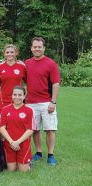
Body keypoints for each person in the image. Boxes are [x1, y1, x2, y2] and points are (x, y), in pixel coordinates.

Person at [25, 37, 60, 165]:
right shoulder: (27, 63)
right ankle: (38, 153)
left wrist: (53, 102)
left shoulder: (51, 63)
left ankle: (50, 155)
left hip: (46, 102)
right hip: (30, 103)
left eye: (39, 47)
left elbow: (56, 84)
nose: (37, 49)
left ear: (44, 48)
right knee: (34, 130)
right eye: (35, 47)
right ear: (31, 48)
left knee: (50, 129)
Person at [0, 86, 34, 171]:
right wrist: (12, 142)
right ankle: (19, 162)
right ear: (11, 96)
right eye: (15, 95)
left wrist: (17, 142)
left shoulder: (29, 110)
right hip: (9, 143)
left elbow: (30, 130)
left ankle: (27, 163)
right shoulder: (5, 109)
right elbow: (2, 128)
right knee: (11, 170)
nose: (17, 97)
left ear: (24, 96)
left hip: (23, 143)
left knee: (23, 171)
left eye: (20, 95)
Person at [0, 44, 26, 110]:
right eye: (7, 52)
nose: (10, 54)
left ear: (16, 53)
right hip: (3, 101)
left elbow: (27, 80)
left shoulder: (22, 66)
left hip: (18, 100)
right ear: (4, 54)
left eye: (12, 52)